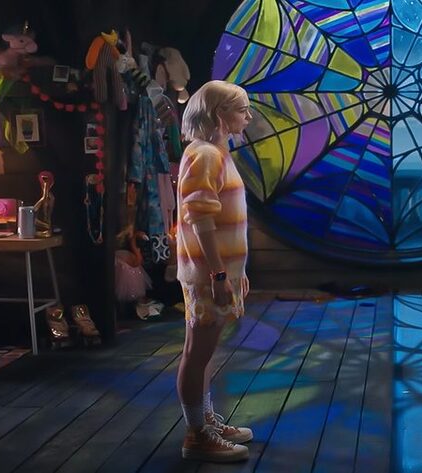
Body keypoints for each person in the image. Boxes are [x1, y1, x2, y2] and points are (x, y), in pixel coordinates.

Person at [175, 80, 253, 462]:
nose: (248, 117)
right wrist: (219, 274)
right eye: (242, 110)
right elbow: (201, 220)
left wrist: (236, 272)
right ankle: (196, 435)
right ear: (220, 113)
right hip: (208, 275)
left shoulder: (217, 153)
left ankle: (205, 421)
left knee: (204, 353)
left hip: (219, 273)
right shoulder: (205, 154)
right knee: (197, 352)